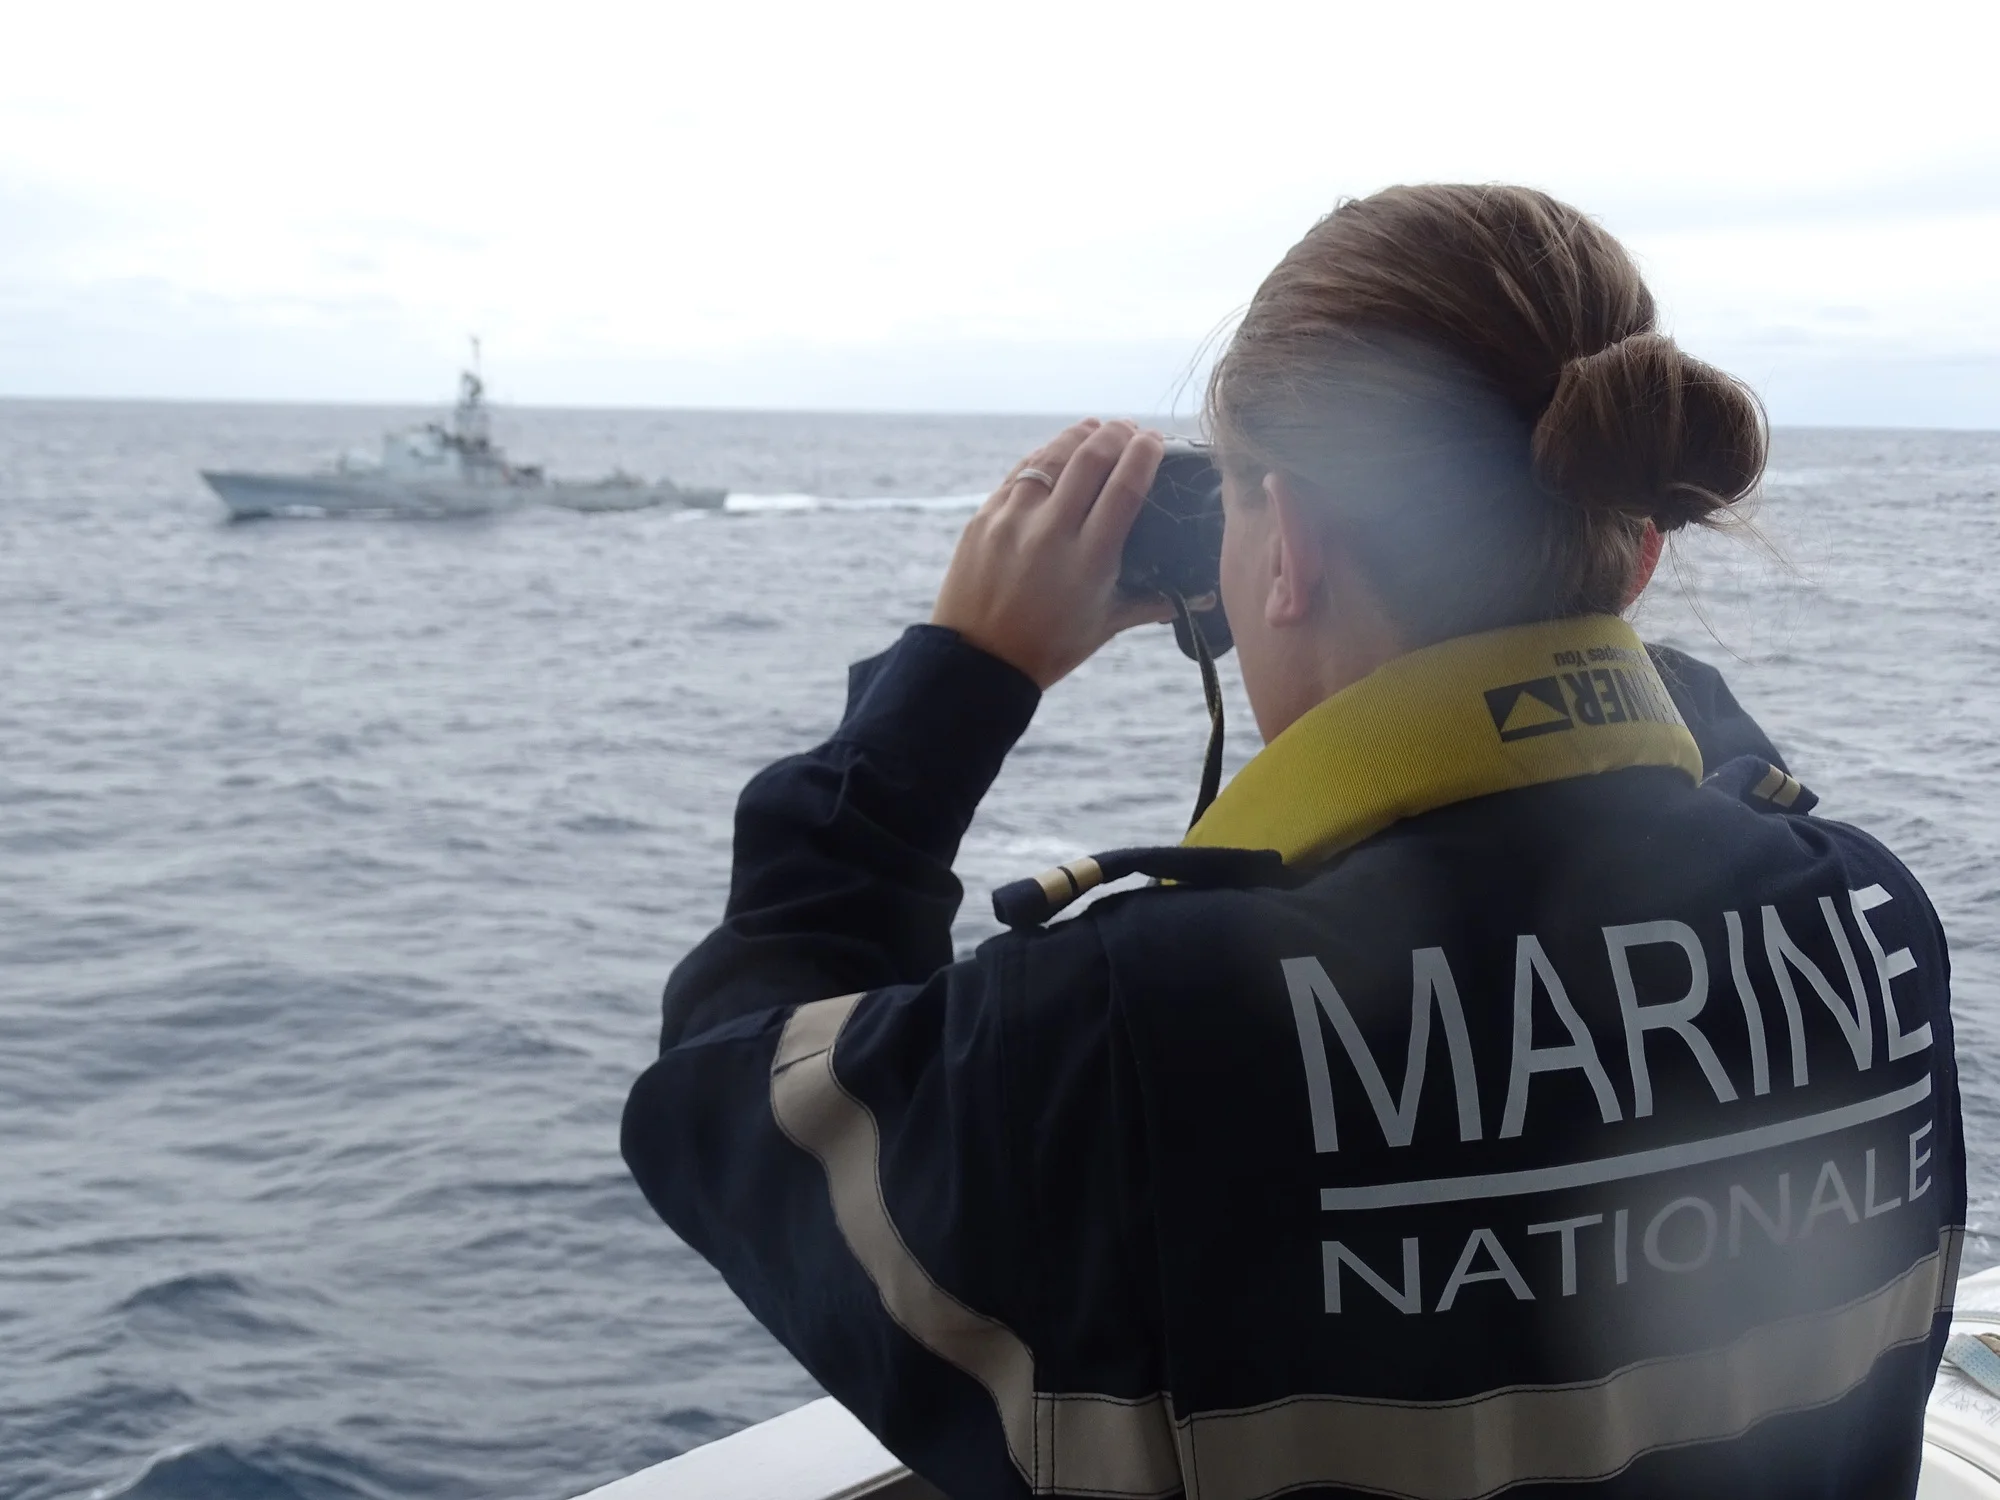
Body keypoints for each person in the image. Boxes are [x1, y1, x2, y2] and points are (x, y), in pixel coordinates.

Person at [622, 185, 1961, 1500]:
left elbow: (729, 1097)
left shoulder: (1120, 1038)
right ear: (1638, 558)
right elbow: (1695, 775)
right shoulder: (1874, 927)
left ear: (1291, 550)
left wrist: (962, 679)